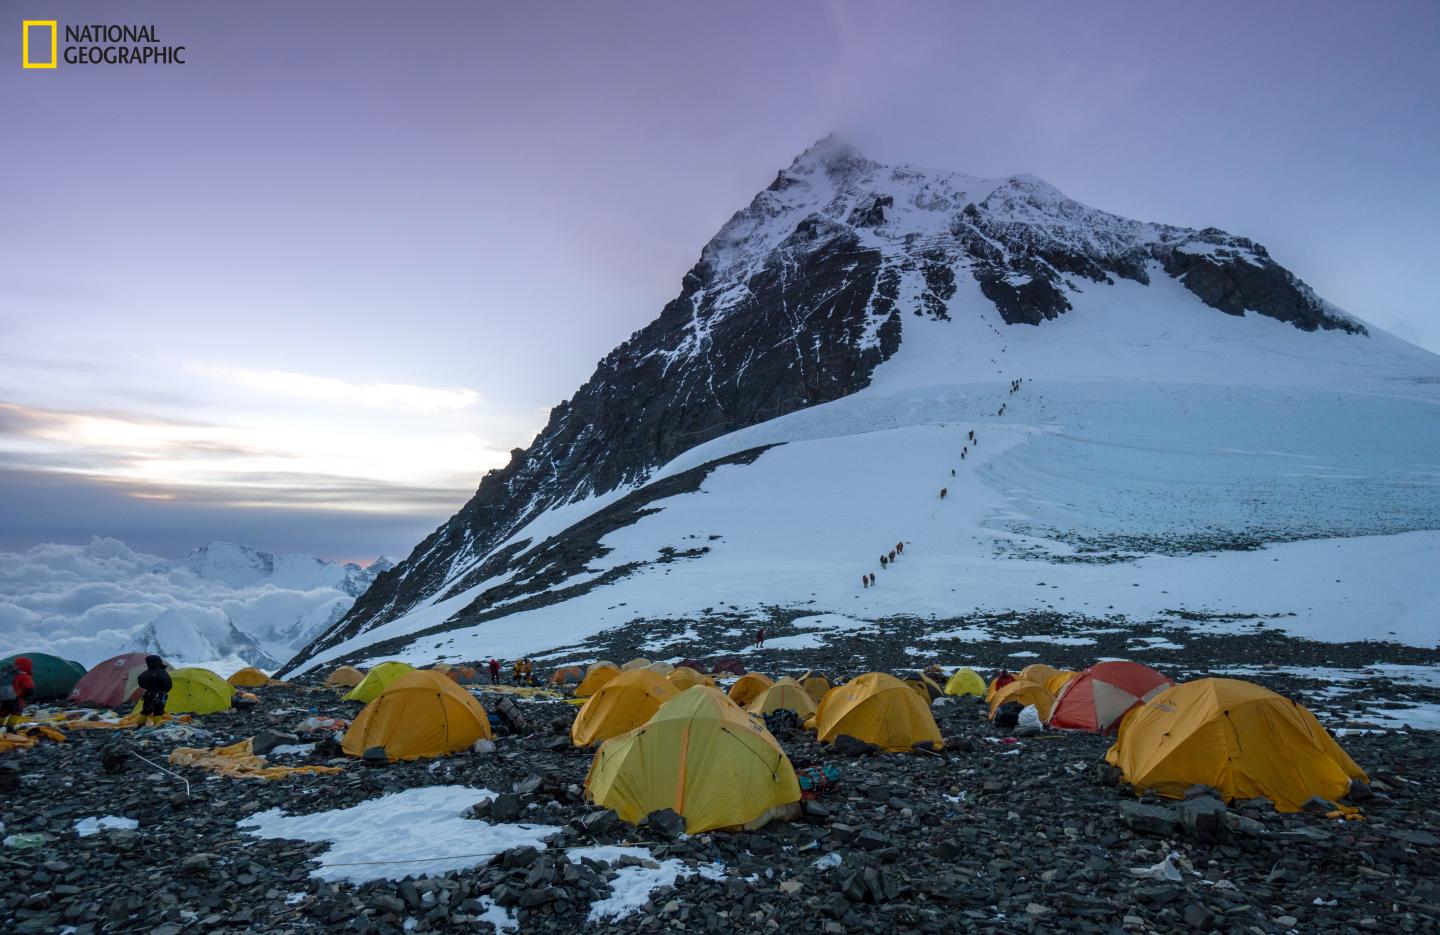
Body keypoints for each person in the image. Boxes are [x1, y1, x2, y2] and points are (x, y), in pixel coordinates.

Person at [0, 656, 34, 732]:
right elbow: (29, 689)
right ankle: (10, 728)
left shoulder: (6, 674)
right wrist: (24, 697)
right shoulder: (24, 676)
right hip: (16, 698)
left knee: (3, 712)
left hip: (3, 698)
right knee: (16, 713)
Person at [137, 655, 171, 726]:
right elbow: (168, 685)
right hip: (161, 694)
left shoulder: (144, 674)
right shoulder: (163, 673)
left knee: (146, 710)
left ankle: (140, 724)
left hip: (148, 694)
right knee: (158, 711)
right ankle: (156, 725)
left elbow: (141, 683)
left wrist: (149, 688)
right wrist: (164, 690)